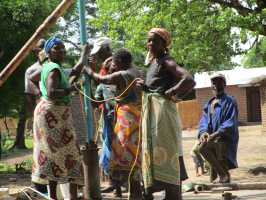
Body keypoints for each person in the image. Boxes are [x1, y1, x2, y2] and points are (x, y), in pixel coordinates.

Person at [138, 28, 195, 200]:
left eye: (154, 40)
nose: (150, 44)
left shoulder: (166, 61)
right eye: (148, 40)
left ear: (164, 43)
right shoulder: (154, 63)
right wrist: (146, 88)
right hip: (154, 115)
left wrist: (173, 92)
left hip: (162, 115)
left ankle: (173, 194)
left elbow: (189, 79)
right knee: (156, 153)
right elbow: (157, 87)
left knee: (167, 152)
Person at [83, 48, 142, 199]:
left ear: (120, 62)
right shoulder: (138, 71)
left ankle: (134, 192)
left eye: (115, 63)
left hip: (127, 117)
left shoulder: (124, 74)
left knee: (126, 154)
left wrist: (87, 70)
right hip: (139, 115)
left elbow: (101, 79)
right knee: (136, 155)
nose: (113, 66)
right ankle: (136, 192)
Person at [32, 37, 86, 200]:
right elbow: (51, 92)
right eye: (57, 48)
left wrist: (84, 54)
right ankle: (71, 196)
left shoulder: (52, 67)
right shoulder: (54, 68)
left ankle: (55, 197)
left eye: (63, 48)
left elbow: (75, 72)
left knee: (53, 155)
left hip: (52, 113)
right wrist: (72, 89)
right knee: (68, 153)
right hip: (52, 112)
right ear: (48, 52)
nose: (62, 51)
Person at [198, 74, 239, 184]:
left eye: (219, 82)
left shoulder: (230, 101)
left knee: (213, 150)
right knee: (202, 147)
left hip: (225, 138)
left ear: (224, 84)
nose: (215, 85)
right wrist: (203, 132)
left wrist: (216, 134)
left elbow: (230, 121)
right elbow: (204, 121)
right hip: (212, 138)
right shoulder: (209, 104)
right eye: (213, 82)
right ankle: (221, 176)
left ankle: (223, 175)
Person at [25, 39, 47, 116]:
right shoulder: (31, 70)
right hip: (43, 109)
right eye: (40, 48)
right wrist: (34, 115)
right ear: (36, 52)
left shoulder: (55, 65)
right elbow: (29, 95)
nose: (43, 51)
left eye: (45, 48)